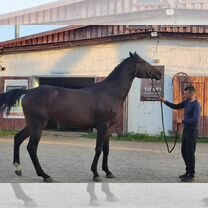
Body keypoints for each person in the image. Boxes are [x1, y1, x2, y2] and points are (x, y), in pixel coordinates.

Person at [160, 85, 201, 182]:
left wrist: (182, 121)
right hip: (186, 130)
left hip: (192, 131)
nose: (184, 95)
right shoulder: (186, 102)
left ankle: (191, 174)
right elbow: (176, 106)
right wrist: (164, 101)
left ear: (191, 93)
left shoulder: (196, 105)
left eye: (186, 94)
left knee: (190, 153)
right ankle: (187, 172)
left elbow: (195, 120)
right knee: (184, 152)